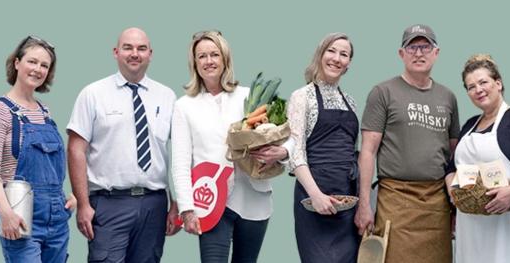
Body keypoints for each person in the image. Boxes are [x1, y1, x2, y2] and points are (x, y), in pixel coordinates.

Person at [66, 27, 180, 263]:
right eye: (128, 47)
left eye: (141, 48)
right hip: (108, 204)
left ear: (151, 53)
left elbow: (179, 154)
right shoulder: (93, 94)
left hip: (154, 204)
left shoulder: (167, 96)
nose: (134, 54)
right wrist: (83, 204)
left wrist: (177, 203)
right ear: (116, 52)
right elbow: (76, 149)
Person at [171, 30, 286, 262]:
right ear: (194, 62)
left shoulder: (249, 98)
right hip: (210, 201)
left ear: (225, 59)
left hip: (253, 198)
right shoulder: (184, 106)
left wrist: (282, 153)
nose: (209, 61)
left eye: (215, 54)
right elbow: (180, 162)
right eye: (202, 56)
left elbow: (282, 135)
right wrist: (186, 208)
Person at [354, 24, 459, 263]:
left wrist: (456, 206)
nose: (419, 53)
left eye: (425, 46)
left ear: (436, 52)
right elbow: (368, 152)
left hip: (437, 204)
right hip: (395, 201)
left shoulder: (448, 97)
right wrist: (363, 206)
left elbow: (455, 157)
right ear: (402, 54)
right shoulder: (382, 92)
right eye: (412, 47)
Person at [0, 35, 73, 263]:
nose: (38, 69)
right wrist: (5, 212)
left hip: (57, 215)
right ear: (17, 63)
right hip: (20, 212)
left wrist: (72, 198)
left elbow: (53, 167)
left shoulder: (44, 112)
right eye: (32, 61)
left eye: (44, 65)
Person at [451, 54, 510, 263]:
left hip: (509, 218)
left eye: (483, 82)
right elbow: (450, 167)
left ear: (498, 83)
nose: (478, 90)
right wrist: (453, 193)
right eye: (471, 87)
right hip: (469, 223)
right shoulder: (468, 125)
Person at [286, 32, 360, 263]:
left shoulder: (351, 101)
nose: (337, 58)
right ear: (320, 54)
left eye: (344, 54)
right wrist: (316, 195)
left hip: (347, 202)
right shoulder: (301, 96)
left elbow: (353, 153)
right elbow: (295, 152)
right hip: (313, 201)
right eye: (332, 51)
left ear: (348, 64)